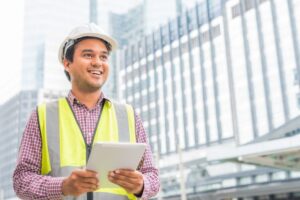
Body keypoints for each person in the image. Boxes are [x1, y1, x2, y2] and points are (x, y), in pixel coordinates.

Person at [13, 23, 160, 200]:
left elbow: (153, 177)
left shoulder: (129, 115)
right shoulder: (43, 115)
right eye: (88, 55)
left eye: (103, 57)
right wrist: (63, 186)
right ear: (67, 63)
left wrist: (141, 185)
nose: (98, 62)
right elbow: (21, 180)